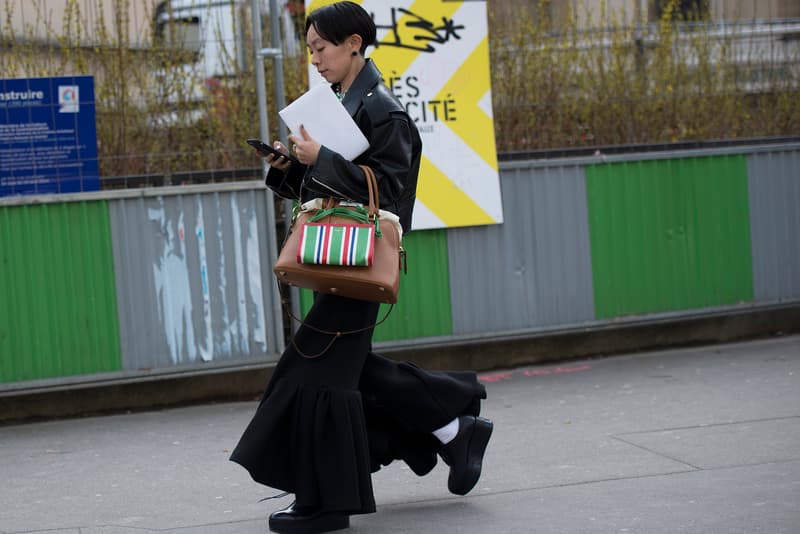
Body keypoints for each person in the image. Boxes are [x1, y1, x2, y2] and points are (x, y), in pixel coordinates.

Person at [230, 3, 493, 533]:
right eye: (310, 51)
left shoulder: (384, 111)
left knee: (316, 371)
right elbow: (337, 187)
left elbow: (388, 193)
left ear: (354, 43)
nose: (316, 60)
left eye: (321, 49)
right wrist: (291, 169)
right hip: (341, 254)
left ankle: (329, 503)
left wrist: (320, 157)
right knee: (343, 369)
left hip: (362, 261)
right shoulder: (343, 103)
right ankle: (450, 428)